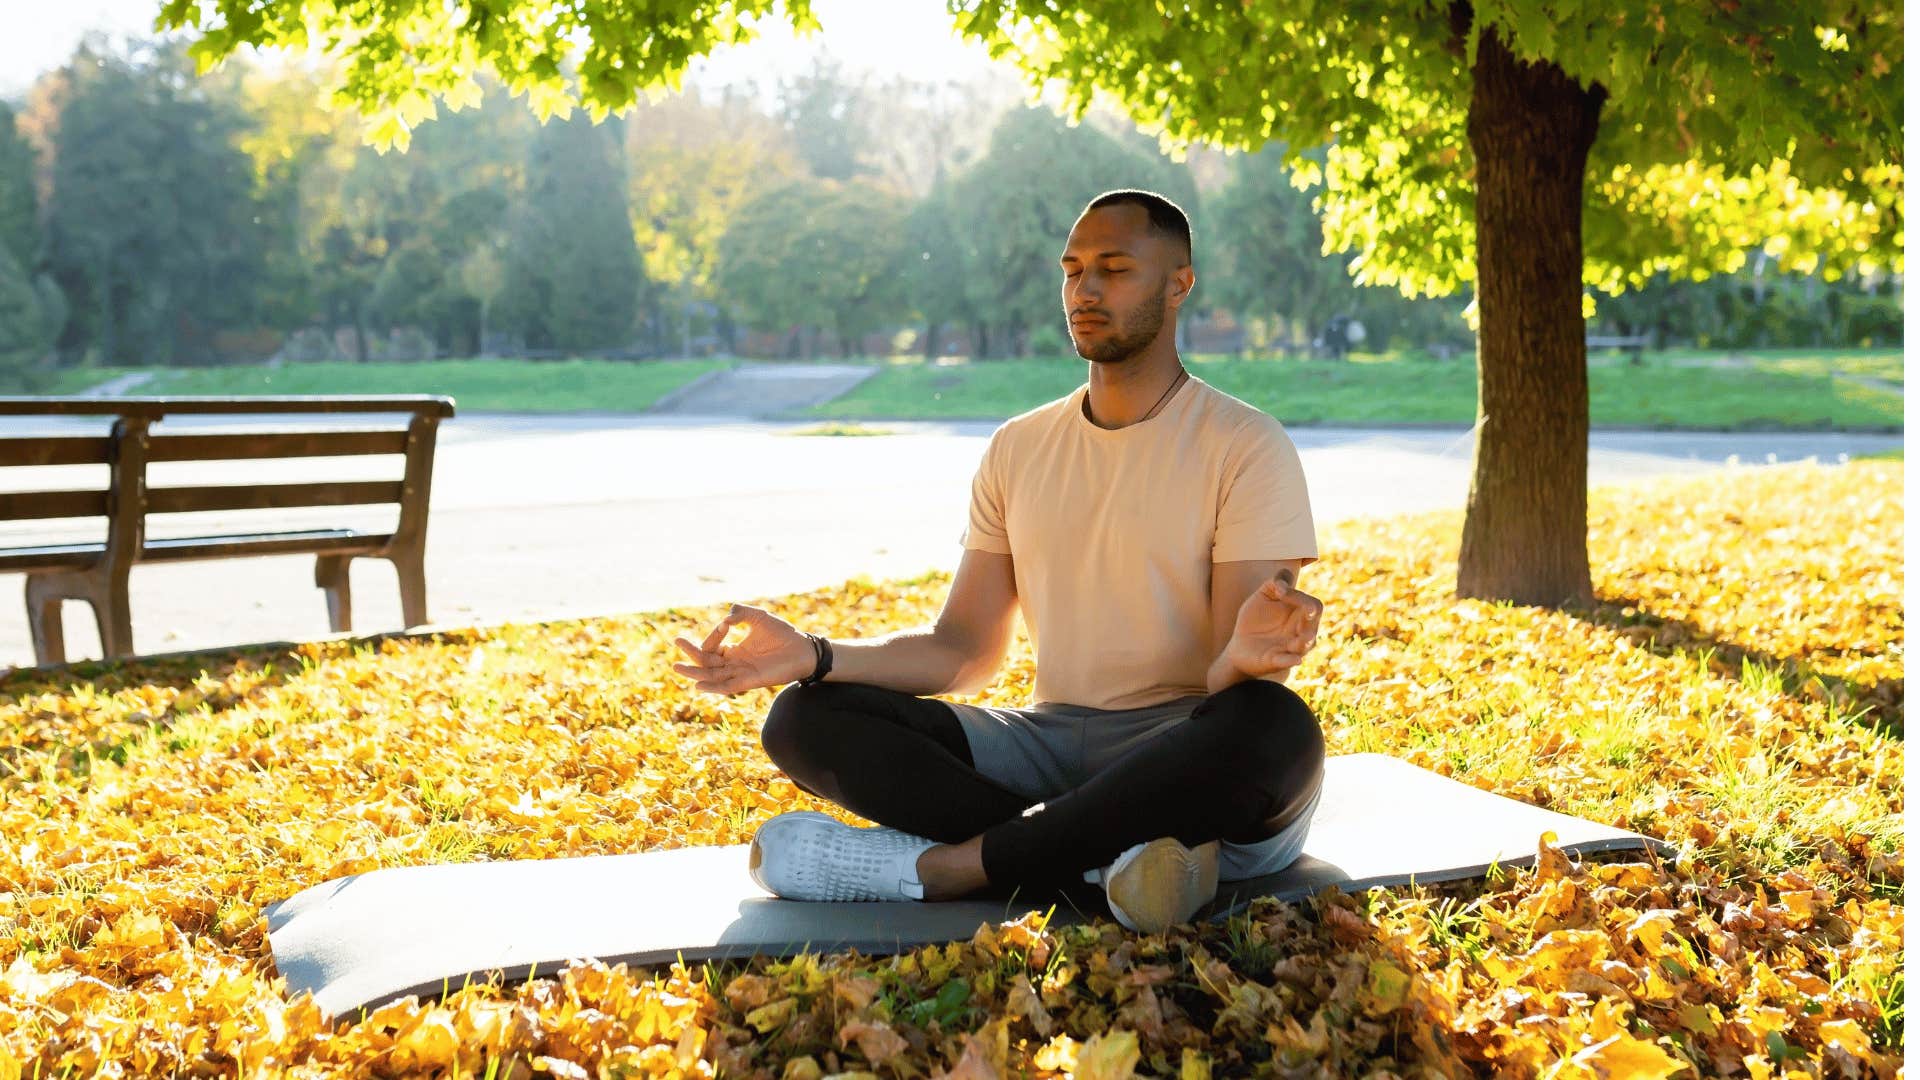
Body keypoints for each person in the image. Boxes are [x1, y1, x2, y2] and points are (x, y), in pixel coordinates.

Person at [670, 189, 1326, 933]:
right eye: (1073, 269)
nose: (1085, 289)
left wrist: (1246, 654)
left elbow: (1223, 684)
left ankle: (943, 869)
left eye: (1114, 269)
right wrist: (814, 655)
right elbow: (963, 652)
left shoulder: (1246, 445)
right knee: (804, 718)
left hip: (1181, 747)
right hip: (1047, 745)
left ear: (1180, 283)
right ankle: (1116, 863)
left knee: (1274, 726)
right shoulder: (1019, 446)